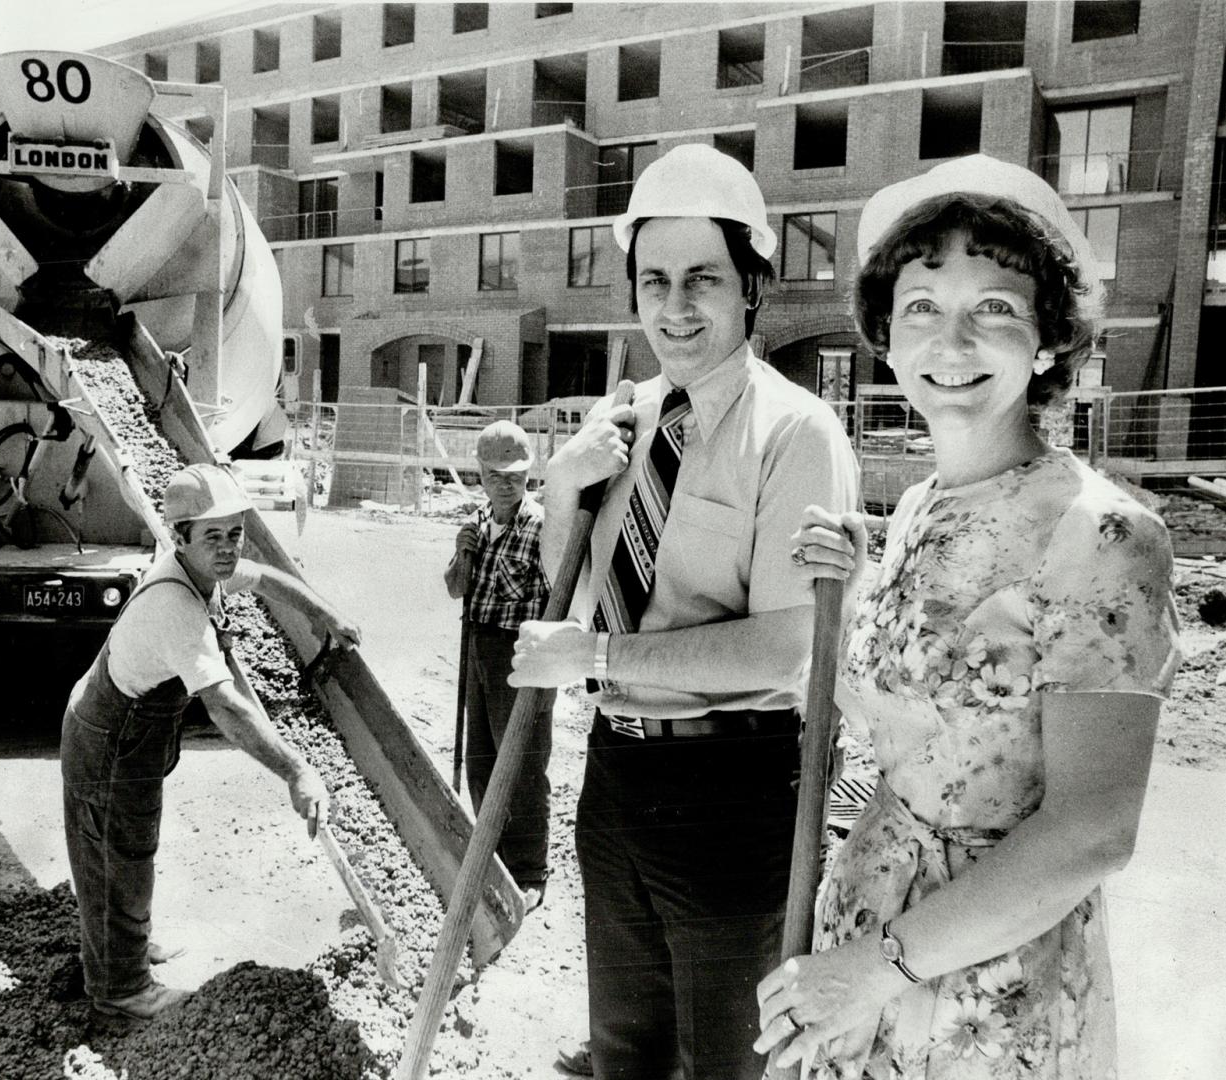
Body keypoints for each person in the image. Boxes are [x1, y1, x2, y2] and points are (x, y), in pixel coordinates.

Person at [754, 155, 1181, 1079]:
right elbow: (925, 700)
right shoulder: (914, 509)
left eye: (993, 307)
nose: (950, 341)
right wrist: (859, 588)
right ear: (886, 335)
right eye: (920, 306)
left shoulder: (1103, 534)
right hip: (863, 928)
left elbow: (1092, 830)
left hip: (986, 983)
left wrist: (872, 969)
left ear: (1048, 340)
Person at [509, 143, 860, 1079]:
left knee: (724, 1063)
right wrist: (562, 490)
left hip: (734, 791)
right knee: (624, 1050)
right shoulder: (620, 420)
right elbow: (573, 597)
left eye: (702, 278)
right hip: (615, 778)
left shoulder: (794, 432)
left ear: (752, 288)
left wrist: (593, 659)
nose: (674, 306)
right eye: (653, 280)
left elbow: (787, 648)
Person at [61, 462, 360, 1021]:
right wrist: (297, 770)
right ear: (181, 538)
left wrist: (326, 613)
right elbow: (223, 704)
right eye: (213, 537)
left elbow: (268, 579)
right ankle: (119, 989)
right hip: (109, 736)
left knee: (130, 845)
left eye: (235, 533)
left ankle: (120, 943)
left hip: (131, 729)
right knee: (114, 848)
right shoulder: (174, 603)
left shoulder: (204, 565)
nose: (227, 549)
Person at [443, 420, 554, 914]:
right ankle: (494, 858)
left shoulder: (544, 528)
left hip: (522, 655)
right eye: (496, 475)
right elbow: (455, 588)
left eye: (516, 475)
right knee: (483, 758)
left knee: (524, 766)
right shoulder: (477, 522)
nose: (506, 484)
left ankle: (529, 871)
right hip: (478, 647)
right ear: (480, 475)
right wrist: (463, 552)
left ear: (530, 473)